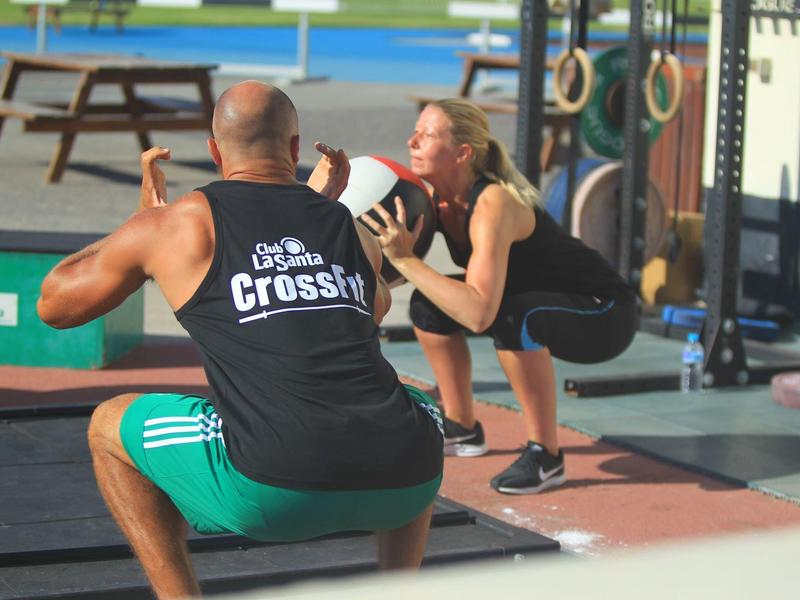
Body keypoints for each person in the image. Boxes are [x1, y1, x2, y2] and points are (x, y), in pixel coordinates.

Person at [36, 81, 444, 600]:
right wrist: (315, 212)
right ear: (296, 149)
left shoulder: (176, 225)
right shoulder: (349, 226)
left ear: (214, 151)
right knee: (410, 408)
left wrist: (141, 225)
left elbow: (53, 305)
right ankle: (398, 590)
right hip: (407, 484)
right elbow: (373, 307)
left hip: (275, 489)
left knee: (106, 425)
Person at [360, 98, 638, 495]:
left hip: (605, 313)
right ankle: (462, 427)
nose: (412, 141)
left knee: (514, 317)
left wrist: (404, 259)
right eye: (416, 131)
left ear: (462, 153)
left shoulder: (493, 202)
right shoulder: (435, 203)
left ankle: (547, 456)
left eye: (428, 134)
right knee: (427, 306)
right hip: (536, 299)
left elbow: (478, 314)